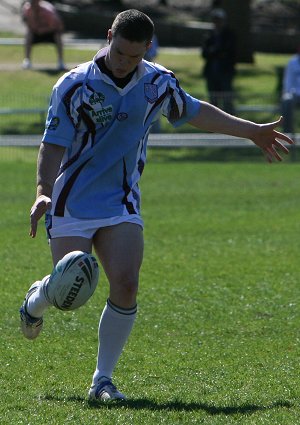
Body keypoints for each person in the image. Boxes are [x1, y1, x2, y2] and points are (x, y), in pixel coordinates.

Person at [19, 9, 293, 403]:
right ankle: (36, 300)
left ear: (147, 48)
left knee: (126, 285)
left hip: (121, 201)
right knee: (68, 293)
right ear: (109, 35)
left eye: (133, 56)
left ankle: (102, 382)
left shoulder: (157, 83)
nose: (124, 63)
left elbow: (195, 110)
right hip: (72, 200)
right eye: (119, 52)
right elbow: (53, 143)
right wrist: (43, 189)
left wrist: (251, 131)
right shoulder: (73, 85)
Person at [202, 8, 236, 114]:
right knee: (213, 102)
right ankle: (213, 126)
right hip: (211, 72)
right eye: (215, 20)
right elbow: (205, 53)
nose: (217, 22)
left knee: (227, 101)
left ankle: (231, 127)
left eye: (219, 20)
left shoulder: (229, 35)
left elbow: (229, 52)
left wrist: (214, 51)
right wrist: (217, 52)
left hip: (225, 72)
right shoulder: (209, 35)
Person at [21, 0, 65, 70]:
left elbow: (58, 26)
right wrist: (35, 29)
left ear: (38, 2)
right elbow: (27, 23)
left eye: (34, 2)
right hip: (36, 32)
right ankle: (27, 61)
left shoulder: (48, 10)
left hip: (50, 33)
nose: (32, 4)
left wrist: (43, 29)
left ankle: (61, 62)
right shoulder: (27, 9)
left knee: (57, 36)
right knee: (28, 34)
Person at [281, 45, 300, 133]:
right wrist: (287, 93)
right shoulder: (292, 62)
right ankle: (288, 133)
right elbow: (288, 80)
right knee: (287, 100)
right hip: (295, 94)